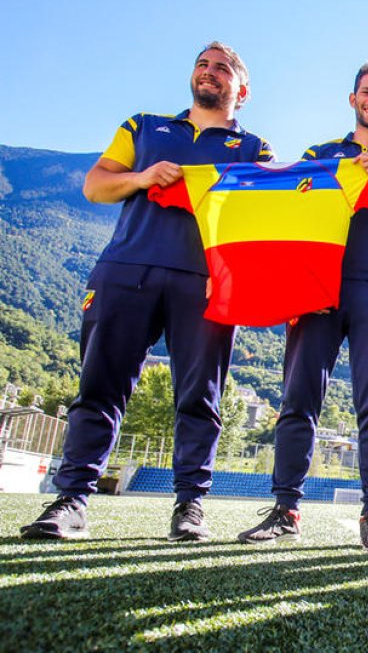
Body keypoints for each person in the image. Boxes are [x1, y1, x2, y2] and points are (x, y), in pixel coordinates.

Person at [20, 42, 273, 542]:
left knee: (200, 397)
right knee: (99, 388)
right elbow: (95, 185)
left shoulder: (254, 149)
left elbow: (261, 215)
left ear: (240, 90)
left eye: (222, 68)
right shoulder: (143, 126)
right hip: (126, 270)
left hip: (203, 282)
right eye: (203, 64)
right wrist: (142, 177)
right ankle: (72, 499)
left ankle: (190, 507)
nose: (209, 73)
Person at [236, 60, 368, 552]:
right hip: (316, 286)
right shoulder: (318, 154)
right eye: (366, 92)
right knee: (298, 399)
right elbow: (288, 213)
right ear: (353, 99)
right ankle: (285, 509)